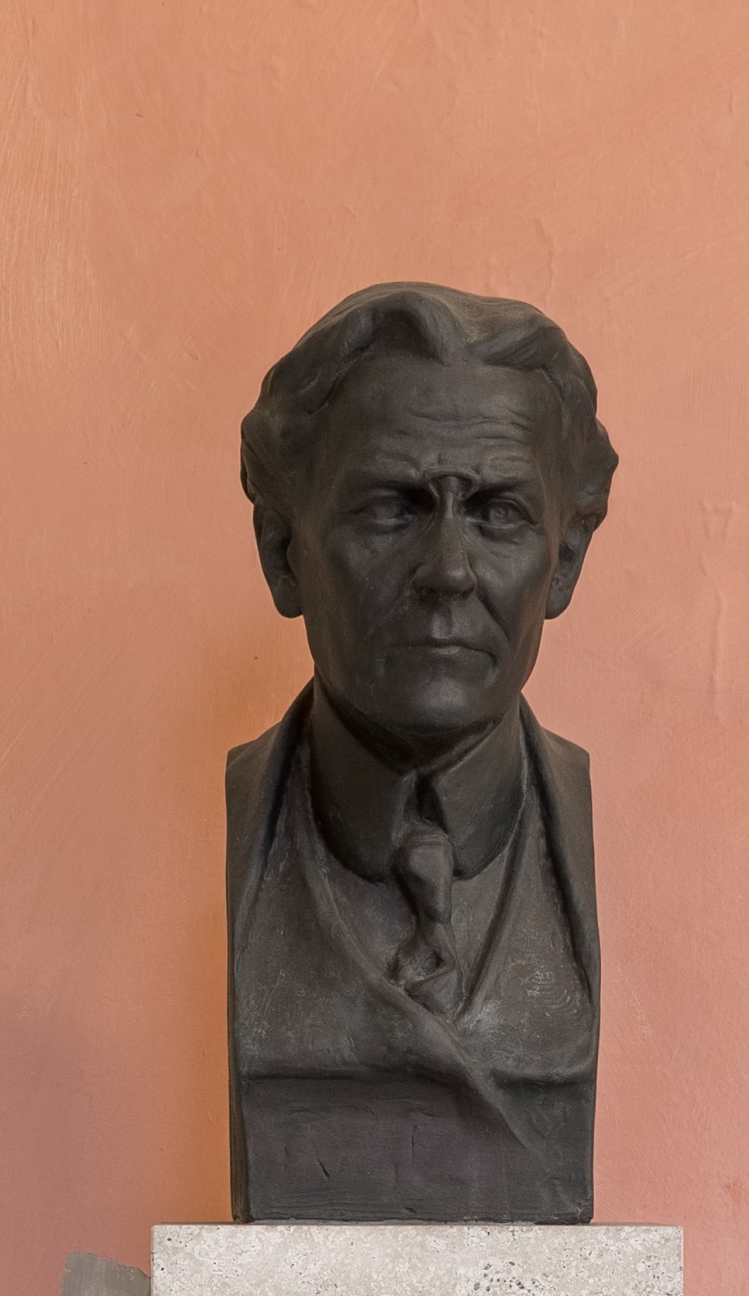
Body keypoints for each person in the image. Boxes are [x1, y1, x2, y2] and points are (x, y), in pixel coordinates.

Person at [228, 282, 617, 1224]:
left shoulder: (571, 836)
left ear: (562, 562)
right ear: (284, 554)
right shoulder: (253, 827)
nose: (446, 571)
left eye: (496, 515)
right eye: (391, 509)